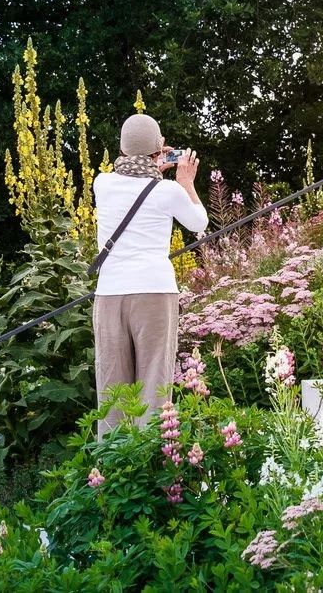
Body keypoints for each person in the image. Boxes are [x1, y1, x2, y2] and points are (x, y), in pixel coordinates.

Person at [92, 113, 208, 437]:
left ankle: (111, 470)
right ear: (159, 150)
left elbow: (133, 180)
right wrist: (186, 182)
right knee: (154, 385)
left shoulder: (102, 184)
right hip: (155, 291)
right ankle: (153, 467)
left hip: (110, 294)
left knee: (112, 389)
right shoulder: (168, 192)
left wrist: (152, 163)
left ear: (121, 148)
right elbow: (199, 222)